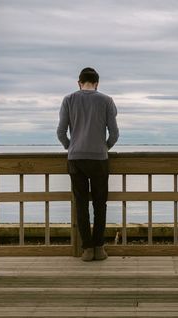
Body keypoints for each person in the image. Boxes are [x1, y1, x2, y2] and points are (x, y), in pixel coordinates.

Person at [57, 67, 119, 261]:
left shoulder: (69, 100)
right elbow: (115, 134)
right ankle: (99, 248)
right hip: (99, 159)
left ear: (79, 83)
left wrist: (72, 147)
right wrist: (103, 147)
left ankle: (87, 250)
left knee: (81, 204)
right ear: (97, 83)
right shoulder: (106, 100)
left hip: (76, 159)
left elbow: (60, 132)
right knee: (100, 204)